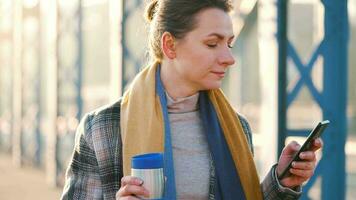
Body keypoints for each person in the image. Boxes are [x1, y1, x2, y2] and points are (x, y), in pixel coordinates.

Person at [61, 0, 323, 199]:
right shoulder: (102, 128)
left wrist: (281, 181)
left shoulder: (235, 127)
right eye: (212, 44)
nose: (229, 58)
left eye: (229, 44)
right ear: (170, 45)